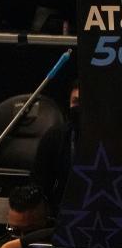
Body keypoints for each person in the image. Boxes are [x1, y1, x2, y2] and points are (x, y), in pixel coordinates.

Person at [31, 80, 80, 212]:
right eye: (76, 102)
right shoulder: (55, 137)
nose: (80, 107)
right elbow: (40, 186)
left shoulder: (113, 139)